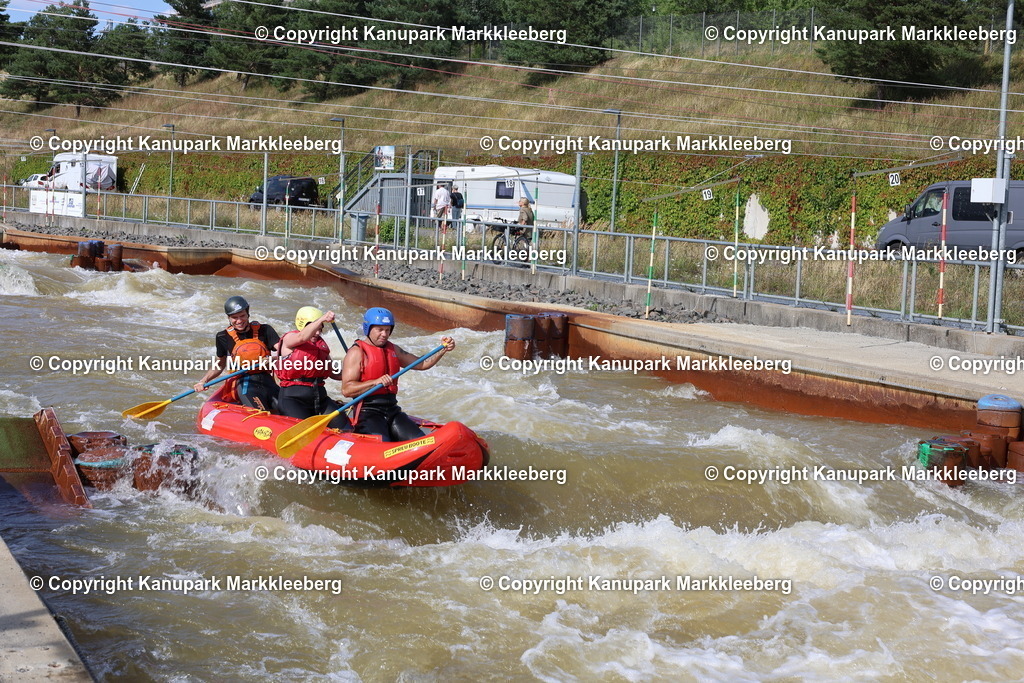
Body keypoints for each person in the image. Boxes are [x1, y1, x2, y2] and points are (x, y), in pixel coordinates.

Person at [342, 307, 456, 442]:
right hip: (368, 412)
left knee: (419, 440)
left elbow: (422, 364)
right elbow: (347, 390)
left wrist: (443, 349)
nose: (384, 334)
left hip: (392, 410)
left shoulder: (393, 349)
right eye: (380, 329)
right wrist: (375, 382)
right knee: (382, 444)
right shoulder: (356, 352)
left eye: (387, 330)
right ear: (368, 329)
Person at [194, 296, 280, 411]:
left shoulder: (265, 330)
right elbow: (220, 365)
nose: (239, 321)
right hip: (245, 383)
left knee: (288, 411)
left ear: (248, 314)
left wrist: (273, 359)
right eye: (234, 317)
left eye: (242, 316)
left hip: (267, 380)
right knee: (261, 413)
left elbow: (284, 353)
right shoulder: (223, 336)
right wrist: (203, 381)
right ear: (228, 317)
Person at [275, 306, 348, 429]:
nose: (318, 333)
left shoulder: (321, 346)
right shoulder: (290, 339)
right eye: (315, 328)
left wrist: (358, 374)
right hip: (293, 400)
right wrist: (322, 318)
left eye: (320, 329)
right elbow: (302, 337)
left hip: (320, 399)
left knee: (345, 428)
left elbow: (334, 373)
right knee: (305, 431)